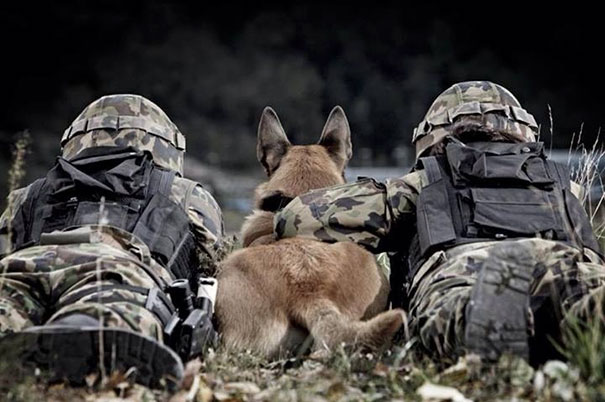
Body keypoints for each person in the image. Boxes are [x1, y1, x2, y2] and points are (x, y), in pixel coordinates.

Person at [274, 81, 605, 363]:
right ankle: (585, 311)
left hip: (466, 271)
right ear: (522, 128)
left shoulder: (424, 183)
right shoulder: (567, 186)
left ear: (432, 134)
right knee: (581, 305)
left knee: (454, 323)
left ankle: (487, 313)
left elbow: (296, 218)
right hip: (568, 264)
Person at [0, 94, 223, 388]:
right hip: (117, 271)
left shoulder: (29, 194)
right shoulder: (185, 193)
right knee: (107, 324)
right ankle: (79, 334)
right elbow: (213, 267)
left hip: (24, 265)